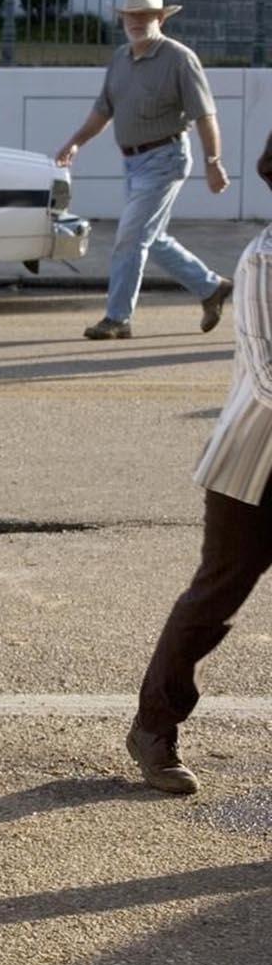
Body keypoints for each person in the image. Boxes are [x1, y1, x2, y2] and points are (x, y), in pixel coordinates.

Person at [127, 126, 272, 795]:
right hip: (254, 469)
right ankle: (154, 727)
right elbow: (269, 376)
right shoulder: (266, 258)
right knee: (215, 600)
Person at [54, 0, 233, 340]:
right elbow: (102, 111)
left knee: (130, 237)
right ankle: (211, 287)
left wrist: (213, 161)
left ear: (159, 19)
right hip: (133, 163)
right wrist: (75, 143)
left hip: (166, 159)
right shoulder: (120, 58)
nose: (136, 22)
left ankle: (118, 318)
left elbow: (205, 115)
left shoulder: (180, 59)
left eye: (145, 16)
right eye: (130, 16)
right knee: (150, 237)